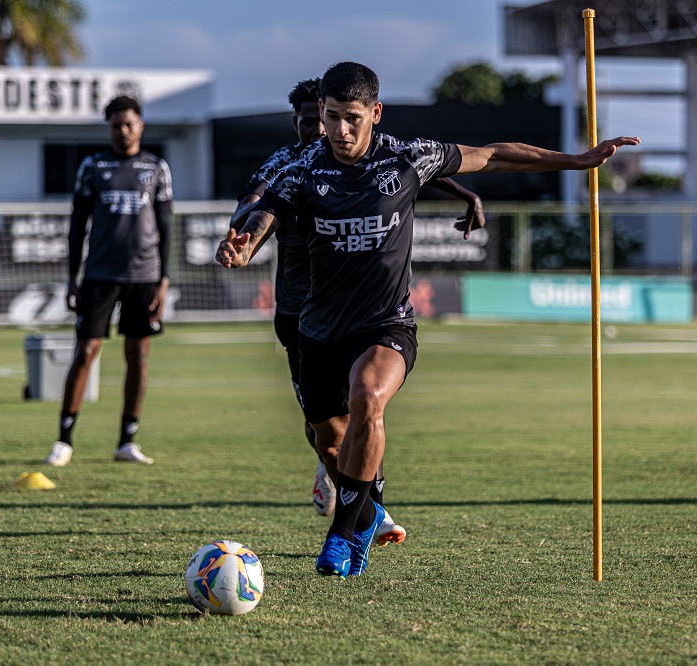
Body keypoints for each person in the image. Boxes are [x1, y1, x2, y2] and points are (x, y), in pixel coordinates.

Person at [217, 61, 639, 578]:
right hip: (318, 330)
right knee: (329, 440)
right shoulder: (302, 170)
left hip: (385, 324)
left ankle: (343, 533)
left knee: (368, 398)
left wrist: (576, 161)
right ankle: (366, 513)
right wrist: (245, 241)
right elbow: (266, 212)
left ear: (375, 113)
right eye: (330, 117)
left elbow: (494, 155)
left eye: (351, 118)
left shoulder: (407, 157)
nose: (340, 130)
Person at [232, 79, 485, 548]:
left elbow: (420, 167)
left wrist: (464, 194)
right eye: (316, 120)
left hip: (365, 309)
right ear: (301, 123)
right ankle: (363, 504)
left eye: (338, 118)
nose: (327, 129)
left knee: (366, 405)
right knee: (323, 428)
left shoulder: (372, 158)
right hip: (300, 311)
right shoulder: (288, 166)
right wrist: (242, 233)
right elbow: (253, 206)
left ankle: (366, 513)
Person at [44, 95, 173, 467]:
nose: (123, 130)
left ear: (141, 125)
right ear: (110, 128)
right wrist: (72, 277)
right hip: (99, 276)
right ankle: (64, 438)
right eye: (117, 125)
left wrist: (164, 280)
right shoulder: (92, 166)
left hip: (144, 277)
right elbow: (76, 226)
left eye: (130, 123)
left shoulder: (156, 169)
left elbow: (166, 227)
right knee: (85, 352)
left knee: (138, 357)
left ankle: (127, 440)